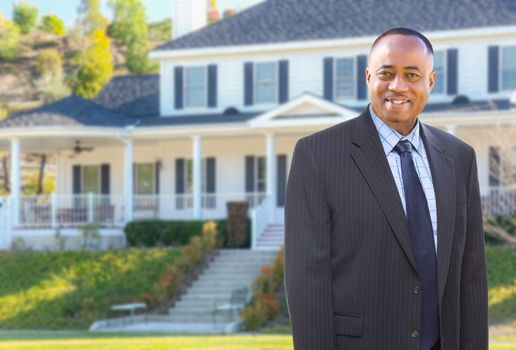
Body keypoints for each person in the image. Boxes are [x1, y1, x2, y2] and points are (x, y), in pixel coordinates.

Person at [284, 27, 488, 350]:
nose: (397, 86)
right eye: (386, 73)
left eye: (411, 74)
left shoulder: (460, 159)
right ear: (368, 76)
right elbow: (306, 282)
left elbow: (471, 276)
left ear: (430, 82)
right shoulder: (318, 155)